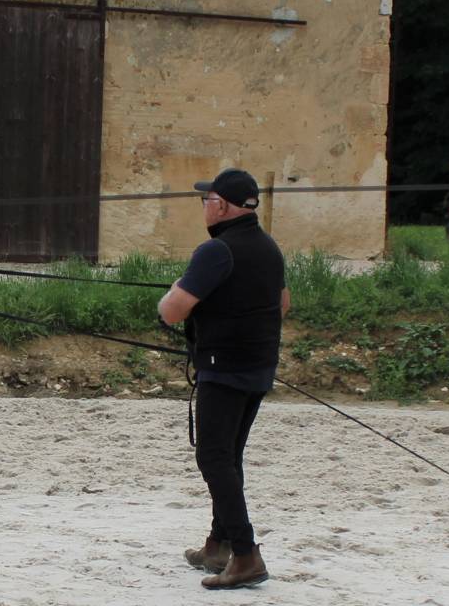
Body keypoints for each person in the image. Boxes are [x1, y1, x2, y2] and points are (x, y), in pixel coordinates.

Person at [157, 167, 290, 591]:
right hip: (257, 369)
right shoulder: (269, 248)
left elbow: (171, 311)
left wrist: (177, 288)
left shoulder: (216, 252)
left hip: (224, 370)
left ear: (222, 206)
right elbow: (281, 304)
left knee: (214, 459)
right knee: (229, 457)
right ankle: (218, 546)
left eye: (206, 199)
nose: (203, 206)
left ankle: (246, 555)